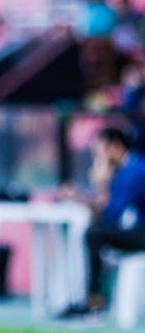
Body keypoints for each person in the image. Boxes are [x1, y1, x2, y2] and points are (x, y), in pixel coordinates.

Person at [60, 128, 145, 319]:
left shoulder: (135, 170)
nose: (98, 158)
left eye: (99, 152)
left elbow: (109, 215)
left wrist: (100, 182)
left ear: (115, 147)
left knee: (94, 234)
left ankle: (95, 302)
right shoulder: (128, 168)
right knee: (95, 234)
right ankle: (93, 299)